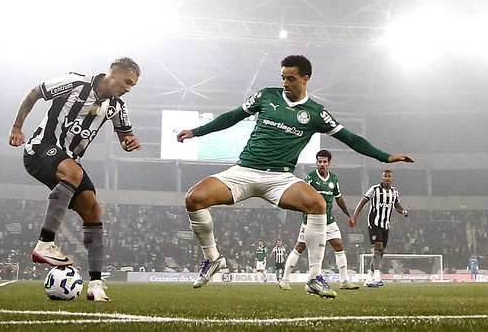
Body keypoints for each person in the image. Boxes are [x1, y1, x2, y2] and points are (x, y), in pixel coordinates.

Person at [177, 55, 414, 298]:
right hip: (244, 171)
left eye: (291, 79)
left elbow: (351, 138)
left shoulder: (315, 113)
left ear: (305, 79)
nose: (285, 83)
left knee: (317, 204)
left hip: (280, 178)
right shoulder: (266, 96)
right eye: (283, 78)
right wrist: (196, 132)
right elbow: (231, 116)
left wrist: (384, 157)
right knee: (194, 198)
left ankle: (314, 278)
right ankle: (213, 259)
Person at [9, 57, 142, 302]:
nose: (128, 88)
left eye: (132, 85)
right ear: (112, 72)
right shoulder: (74, 83)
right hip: (40, 148)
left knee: (93, 208)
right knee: (74, 173)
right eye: (126, 81)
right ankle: (45, 244)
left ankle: (96, 285)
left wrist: (129, 143)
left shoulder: (117, 106)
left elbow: (126, 135)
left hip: (68, 160)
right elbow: (34, 93)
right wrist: (17, 128)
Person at [280, 149, 360, 290]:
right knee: (299, 247)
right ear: (316, 163)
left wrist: (349, 215)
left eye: (324, 162)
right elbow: (302, 197)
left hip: (328, 220)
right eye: (319, 161)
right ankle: (285, 279)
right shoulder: (311, 178)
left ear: (329, 163)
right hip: (312, 220)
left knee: (339, 245)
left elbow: (339, 199)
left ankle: (344, 281)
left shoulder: (333, 179)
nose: (322, 164)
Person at [352, 169, 409, 287]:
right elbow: (363, 201)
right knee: (378, 247)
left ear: (392, 178)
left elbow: (396, 205)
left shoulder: (394, 191)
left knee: (380, 251)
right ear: (382, 178)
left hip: (386, 224)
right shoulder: (374, 189)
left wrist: (403, 211)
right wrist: (354, 216)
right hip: (374, 222)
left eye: (389, 176)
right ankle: (377, 276)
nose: (387, 178)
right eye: (385, 176)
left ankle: (368, 279)